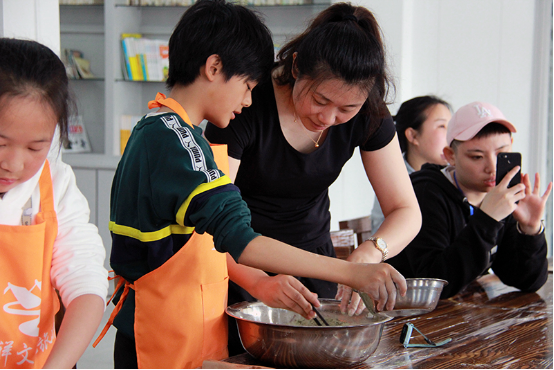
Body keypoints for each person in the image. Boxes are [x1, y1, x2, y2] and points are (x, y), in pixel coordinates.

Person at [95, 1, 408, 368]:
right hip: (159, 334)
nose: (247, 101)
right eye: (247, 86)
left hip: (176, 324)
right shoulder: (176, 143)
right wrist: (351, 272)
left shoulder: (165, 132)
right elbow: (242, 240)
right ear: (214, 68)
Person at [205, 2, 421, 356]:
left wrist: (369, 254)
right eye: (321, 100)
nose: (329, 117)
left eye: (346, 109)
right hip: (240, 264)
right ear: (296, 67)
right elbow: (210, 224)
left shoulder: (368, 115)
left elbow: (405, 210)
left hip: (317, 264)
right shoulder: (244, 104)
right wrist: (258, 281)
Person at [0, 38, 109, 368]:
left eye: (36, 148)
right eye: (1, 143)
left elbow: (87, 285)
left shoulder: (56, 184)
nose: (15, 165)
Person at [388, 101, 552, 298]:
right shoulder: (425, 193)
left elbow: (525, 280)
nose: (491, 168)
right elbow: (435, 284)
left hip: (464, 314)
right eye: (476, 157)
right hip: (409, 312)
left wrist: (530, 230)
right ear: (451, 156)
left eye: (502, 153)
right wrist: (487, 219)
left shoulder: (501, 196)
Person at [371, 96, 452, 231]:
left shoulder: (451, 176)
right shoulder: (393, 177)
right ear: (413, 136)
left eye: (452, 126)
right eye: (442, 126)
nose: (451, 135)